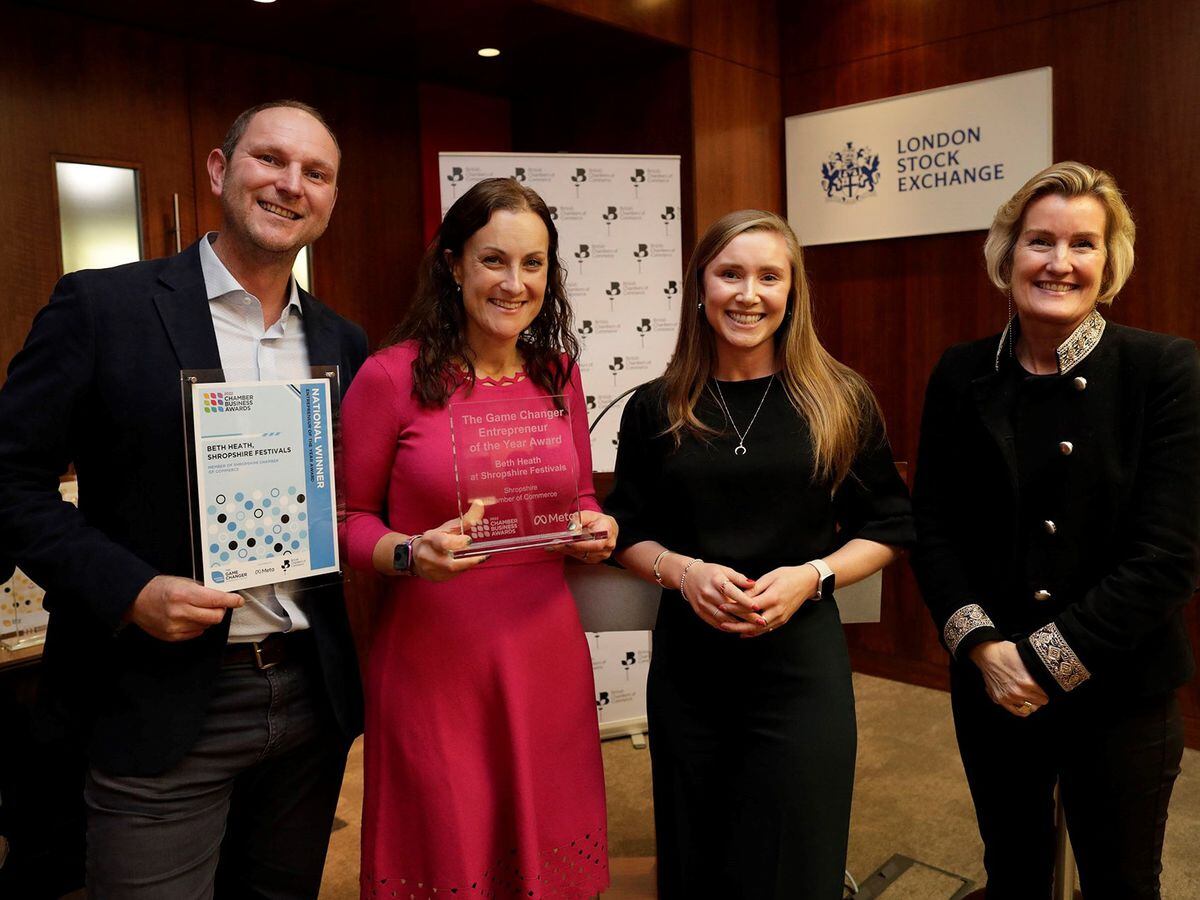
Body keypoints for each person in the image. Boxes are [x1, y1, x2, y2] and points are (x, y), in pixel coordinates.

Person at [0, 100, 368, 898]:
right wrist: (127, 591)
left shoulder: (344, 342)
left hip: (309, 696)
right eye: (269, 159)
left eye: (316, 173)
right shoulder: (101, 309)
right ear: (218, 169)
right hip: (156, 700)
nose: (290, 185)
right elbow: (8, 480)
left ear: (332, 200)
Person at [603, 209, 913, 899]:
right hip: (691, 672)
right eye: (730, 274)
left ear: (792, 292)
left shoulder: (838, 397)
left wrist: (813, 576)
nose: (749, 294)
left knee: (797, 860)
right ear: (701, 287)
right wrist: (683, 572)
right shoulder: (657, 407)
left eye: (770, 276)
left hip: (800, 672)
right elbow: (624, 529)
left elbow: (888, 524)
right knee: (698, 861)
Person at [911, 161, 1200, 899]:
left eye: (1084, 245)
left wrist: (1041, 662)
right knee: (1012, 873)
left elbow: (1166, 557)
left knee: (1122, 882)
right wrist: (983, 649)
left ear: (1110, 264)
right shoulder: (960, 372)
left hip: (1121, 692)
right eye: (1040, 241)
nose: (1060, 263)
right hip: (992, 684)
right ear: (1008, 255)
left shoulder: (1164, 370)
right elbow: (934, 528)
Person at [341, 177, 616, 899]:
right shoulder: (388, 376)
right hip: (436, 661)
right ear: (455, 264)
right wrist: (407, 552)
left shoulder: (560, 373)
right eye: (494, 260)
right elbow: (344, 519)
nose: (514, 282)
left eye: (534, 264)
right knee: (449, 842)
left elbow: (581, 494)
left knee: (544, 846)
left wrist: (595, 526)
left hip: (544, 651)